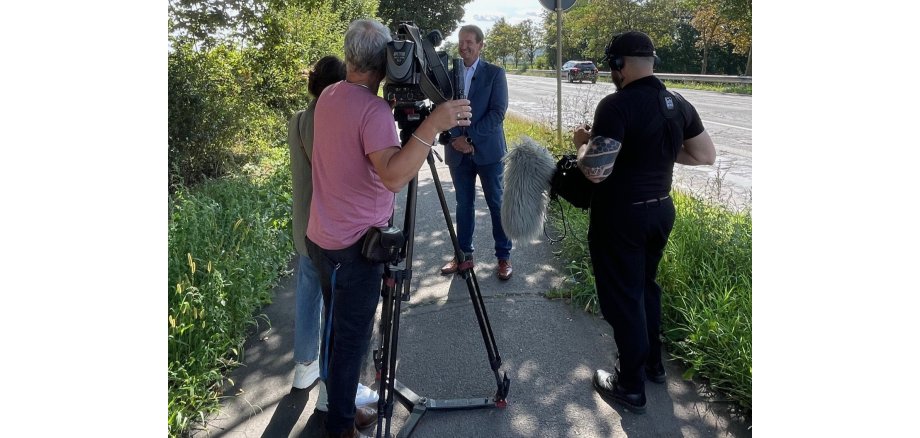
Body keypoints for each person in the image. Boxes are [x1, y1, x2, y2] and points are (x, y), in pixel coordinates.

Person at [307, 19, 472, 438]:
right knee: (351, 342)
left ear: (349, 56)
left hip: (323, 241)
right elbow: (396, 177)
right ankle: (341, 425)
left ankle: (339, 408)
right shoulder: (373, 110)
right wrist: (432, 125)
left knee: (336, 330)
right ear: (384, 61)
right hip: (355, 249)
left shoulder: (329, 94)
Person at [574, 31, 716, 415]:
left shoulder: (616, 105)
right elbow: (705, 154)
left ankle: (630, 385)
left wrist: (582, 143)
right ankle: (653, 364)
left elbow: (596, 173)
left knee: (623, 299)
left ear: (620, 64)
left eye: (611, 66)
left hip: (621, 216)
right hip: (660, 211)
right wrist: (662, 152)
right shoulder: (676, 102)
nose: (611, 73)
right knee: (644, 287)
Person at [286, 56, 379, 410]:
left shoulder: (297, 120)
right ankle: (331, 390)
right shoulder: (332, 117)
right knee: (336, 311)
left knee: (307, 295)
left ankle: (303, 367)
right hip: (327, 228)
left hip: (301, 224)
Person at [439, 24, 513, 281]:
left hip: (488, 152)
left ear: (481, 45)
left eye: (470, 42)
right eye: (461, 42)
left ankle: (503, 257)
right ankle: (463, 255)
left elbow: (497, 113)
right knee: (463, 204)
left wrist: (470, 138)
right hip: (458, 152)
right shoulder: (449, 76)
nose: (464, 46)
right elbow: (440, 110)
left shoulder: (494, 73)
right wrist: (457, 140)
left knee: (496, 204)